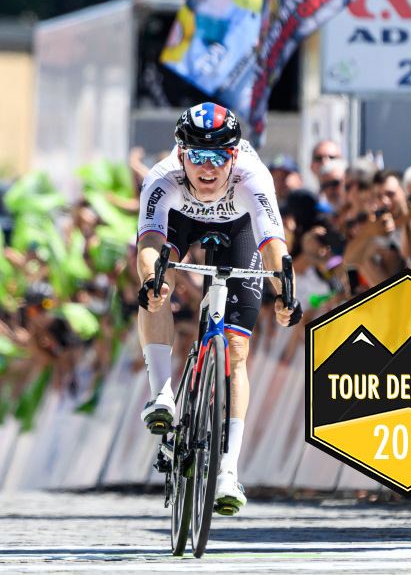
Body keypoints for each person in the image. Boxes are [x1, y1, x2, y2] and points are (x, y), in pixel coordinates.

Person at [135, 102, 303, 516]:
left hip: (239, 229)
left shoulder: (253, 177)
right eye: (196, 157)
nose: (206, 168)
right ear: (180, 154)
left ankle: (228, 469)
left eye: (217, 158)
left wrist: (285, 294)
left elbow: (274, 247)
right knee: (156, 283)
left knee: (237, 350)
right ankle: (162, 393)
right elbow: (149, 246)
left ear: (233, 155)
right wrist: (152, 283)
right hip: (181, 222)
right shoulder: (163, 178)